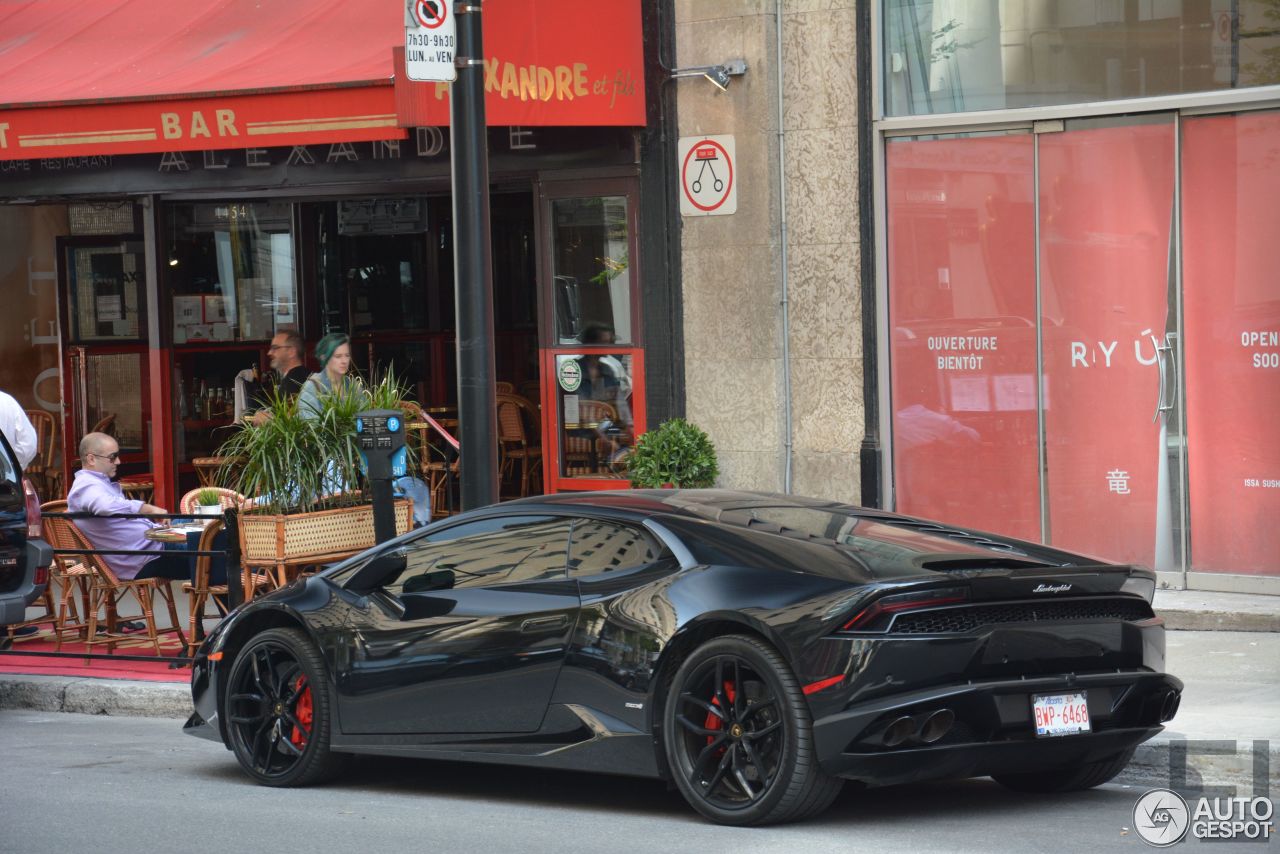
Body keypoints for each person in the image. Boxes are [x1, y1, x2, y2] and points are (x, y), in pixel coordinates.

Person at [67, 432, 192, 594]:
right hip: (145, 557)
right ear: (91, 459)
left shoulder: (94, 483)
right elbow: (104, 506)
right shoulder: (86, 486)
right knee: (214, 556)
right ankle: (226, 617)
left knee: (200, 527)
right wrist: (148, 508)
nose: (118, 462)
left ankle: (221, 614)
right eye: (112, 457)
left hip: (151, 544)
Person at [246, 330, 309, 426]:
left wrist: (267, 420)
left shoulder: (293, 382)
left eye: (275, 348)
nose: (269, 353)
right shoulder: (299, 376)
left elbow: (292, 427)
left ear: (291, 352)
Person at [298, 332, 365, 420]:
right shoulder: (312, 387)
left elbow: (365, 420)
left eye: (347, 355)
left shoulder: (353, 385)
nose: (344, 361)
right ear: (324, 357)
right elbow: (311, 427)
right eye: (338, 356)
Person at [0, 390, 37, 470]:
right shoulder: (7, 401)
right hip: (5, 475)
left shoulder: (7, 401)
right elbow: (29, 445)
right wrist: (8, 461)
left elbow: (29, 445)